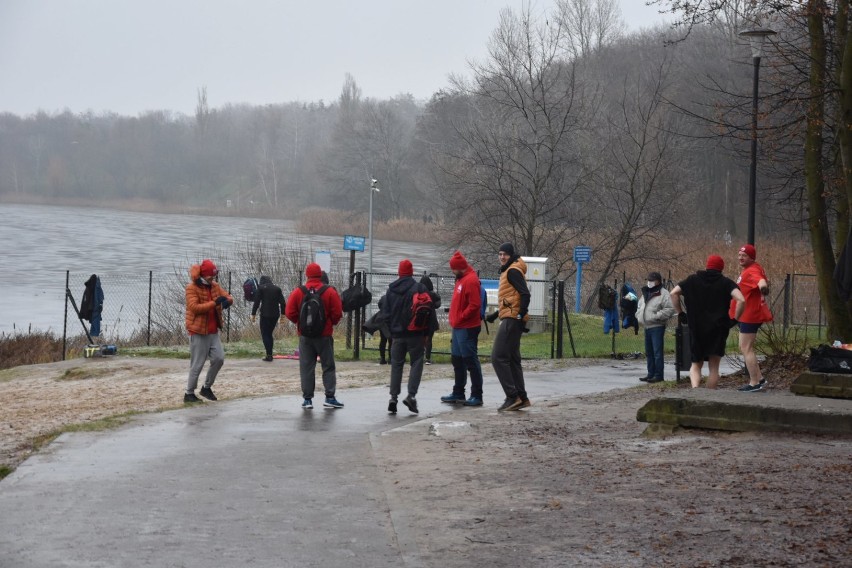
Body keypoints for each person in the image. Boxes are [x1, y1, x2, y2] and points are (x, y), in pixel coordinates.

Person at [669, 255, 745, 389]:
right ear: (721, 268)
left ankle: (696, 391)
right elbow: (741, 300)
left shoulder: (692, 280)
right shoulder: (726, 283)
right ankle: (709, 396)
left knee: (696, 364)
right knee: (714, 368)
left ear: (707, 266)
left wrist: (681, 313)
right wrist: (735, 319)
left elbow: (673, 293)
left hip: (696, 328)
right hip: (718, 329)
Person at [285, 262, 345, 410]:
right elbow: (338, 313)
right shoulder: (330, 291)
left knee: (306, 367)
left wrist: (300, 323)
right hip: (324, 335)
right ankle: (329, 397)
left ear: (307, 275)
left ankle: (307, 400)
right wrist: (330, 324)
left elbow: (289, 312)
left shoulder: (299, 291)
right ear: (320, 274)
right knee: (328, 366)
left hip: (305, 337)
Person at [485, 242, 531, 411]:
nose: (502, 257)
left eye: (505, 254)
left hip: (513, 319)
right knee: (512, 359)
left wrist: (520, 314)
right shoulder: (509, 270)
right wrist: (496, 315)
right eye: (500, 254)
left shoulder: (512, 271)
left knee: (498, 357)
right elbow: (511, 299)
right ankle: (522, 397)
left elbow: (525, 294)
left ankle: (512, 397)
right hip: (512, 317)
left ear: (511, 255)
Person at [380, 259, 429, 414]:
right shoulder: (419, 288)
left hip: (397, 336)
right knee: (417, 363)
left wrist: (390, 333)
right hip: (415, 334)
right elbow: (428, 311)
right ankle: (411, 396)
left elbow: (385, 314)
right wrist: (427, 334)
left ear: (399, 272)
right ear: (412, 272)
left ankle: (393, 398)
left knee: (396, 365)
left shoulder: (391, 291)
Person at [184, 259, 233, 403]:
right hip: (198, 332)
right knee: (197, 364)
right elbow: (194, 307)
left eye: (214, 275)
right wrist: (214, 303)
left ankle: (206, 387)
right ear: (203, 275)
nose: (213, 278)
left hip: (213, 331)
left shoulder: (215, 286)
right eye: (211, 276)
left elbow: (228, 296)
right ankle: (189, 393)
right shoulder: (191, 288)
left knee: (219, 359)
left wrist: (228, 301)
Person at [441, 251, 484, 406]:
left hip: (467, 327)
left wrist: (461, 317)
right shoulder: (460, 279)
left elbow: (475, 305)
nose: (452, 271)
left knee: (471, 361)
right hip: (458, 327)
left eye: (453, 269)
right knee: (457, 361)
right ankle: (458, 392)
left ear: (460, 268)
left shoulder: (471, 280)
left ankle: (477, 395)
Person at [730, 244, 773, 392]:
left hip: (750, 314)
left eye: (744, 255)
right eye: (739, 255)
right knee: (745, 347)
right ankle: (759, 379)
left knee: (746, 348)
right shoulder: (750, 269)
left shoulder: (753, 270)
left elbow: (760, 281)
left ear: (752, 257)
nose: (740, 258)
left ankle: (754, 382)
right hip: (747, 314)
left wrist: (763, 288)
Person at [636, 271, 676, 383]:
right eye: (648, 280)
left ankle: (659, 375)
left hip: (657, 326)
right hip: (647, 326)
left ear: (658, 281)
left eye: (652, 280)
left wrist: (656, 316)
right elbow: (640, 306)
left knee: (657, 352)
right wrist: (638, 315)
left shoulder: (664, 293)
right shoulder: (646, 292)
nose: (649, 282)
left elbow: (670, 309)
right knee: (649, 352)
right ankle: (651, 373)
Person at [250, 275, 287, 362]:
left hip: (265, 315)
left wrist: (253, 314)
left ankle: (269, 355)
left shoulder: (261, 288)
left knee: (265, 334)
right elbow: (283, 303)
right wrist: (283, 315)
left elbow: (257, 302)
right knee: (269, 333)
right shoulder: (277, 289)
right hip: (275, 315)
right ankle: (269, 354)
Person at [419, 274, 441, 364]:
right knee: (429, 339)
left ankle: (420, 357)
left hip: (420, 319)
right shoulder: (433, 294)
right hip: (431, 319)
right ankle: (427, 358)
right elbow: (437, 305)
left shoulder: (418, 293)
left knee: (420, 339)